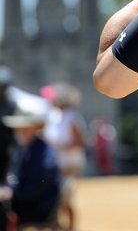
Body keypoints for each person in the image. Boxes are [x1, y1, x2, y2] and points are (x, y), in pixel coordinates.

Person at [0, 110, 60, 231]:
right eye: (18, 129)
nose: (20, 132)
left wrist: (12, 194)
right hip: (26, 202)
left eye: (24, 129)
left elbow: (41, 184)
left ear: (34, 129)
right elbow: (15, 177)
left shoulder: (43, 152)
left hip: (38, 206)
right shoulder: (25, 149)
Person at [42, 83, 86, 231]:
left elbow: (80, 143)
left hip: (70, 165)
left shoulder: (72, 117)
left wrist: (61, 147)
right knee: (55, 200)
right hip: (56, 165)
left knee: (63, 200)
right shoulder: (54, 116)